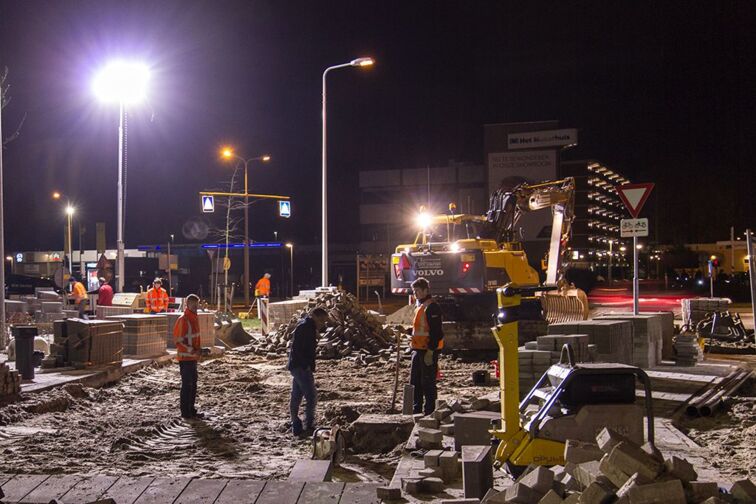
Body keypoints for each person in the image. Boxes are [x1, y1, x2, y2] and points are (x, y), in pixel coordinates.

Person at [287, 307, 329, 437]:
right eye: (321, 320)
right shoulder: (306, 327)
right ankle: (308, 425)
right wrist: (306, 365)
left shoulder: (308, 327)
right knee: (311, 396)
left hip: (297, 365)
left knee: (297, 395)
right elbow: (298, 349)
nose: (322, 323)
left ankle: (296, 425)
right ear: (315, 317)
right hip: (301, 367)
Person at [409, 277, 444, 415]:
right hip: (417, 350)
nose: (415, 294)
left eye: (417, 291)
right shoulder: (421, 306)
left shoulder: (432, 307)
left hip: (427, 351)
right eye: (414, 291)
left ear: (425, 290)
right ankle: (416, 410)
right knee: (415, 382)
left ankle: (430, 412)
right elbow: (420, 329)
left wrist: (431, 351)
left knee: (428, 383)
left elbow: (437, 332)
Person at [174, 294, 203, 419]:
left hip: (192, 358)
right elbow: (178, 341)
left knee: (193, 384)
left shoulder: (193, 318)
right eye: (193, 304)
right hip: (186, 359)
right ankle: (186, 413)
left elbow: (194, 338)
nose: (196, 307)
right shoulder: (183, 319)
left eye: (197, 304)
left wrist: (199, 350)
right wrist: (192, 350)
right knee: (187, 385)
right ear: (187, 304)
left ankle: (191, 410)